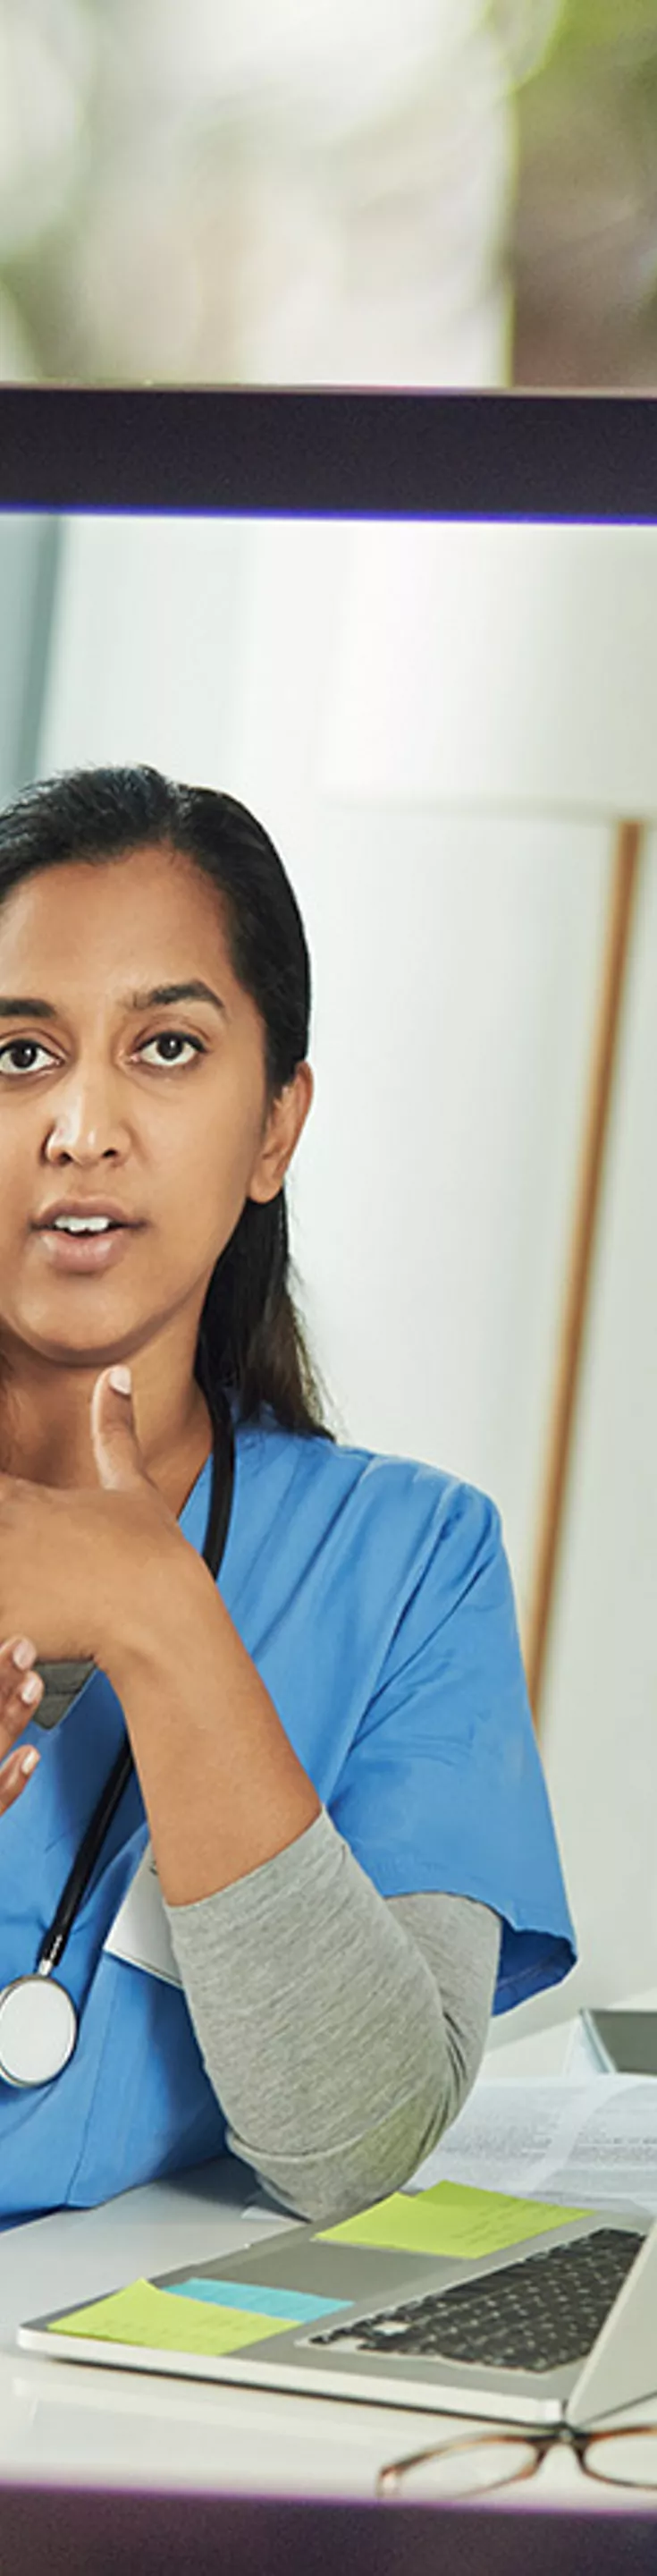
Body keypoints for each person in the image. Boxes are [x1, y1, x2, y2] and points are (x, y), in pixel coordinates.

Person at [0, 764, 576, 2230]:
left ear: (273, 1127)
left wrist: (156, 1613)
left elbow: (354, 2141)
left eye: (168, 1047)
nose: (81, 1125)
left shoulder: (411, 1565)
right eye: (19, 1053)